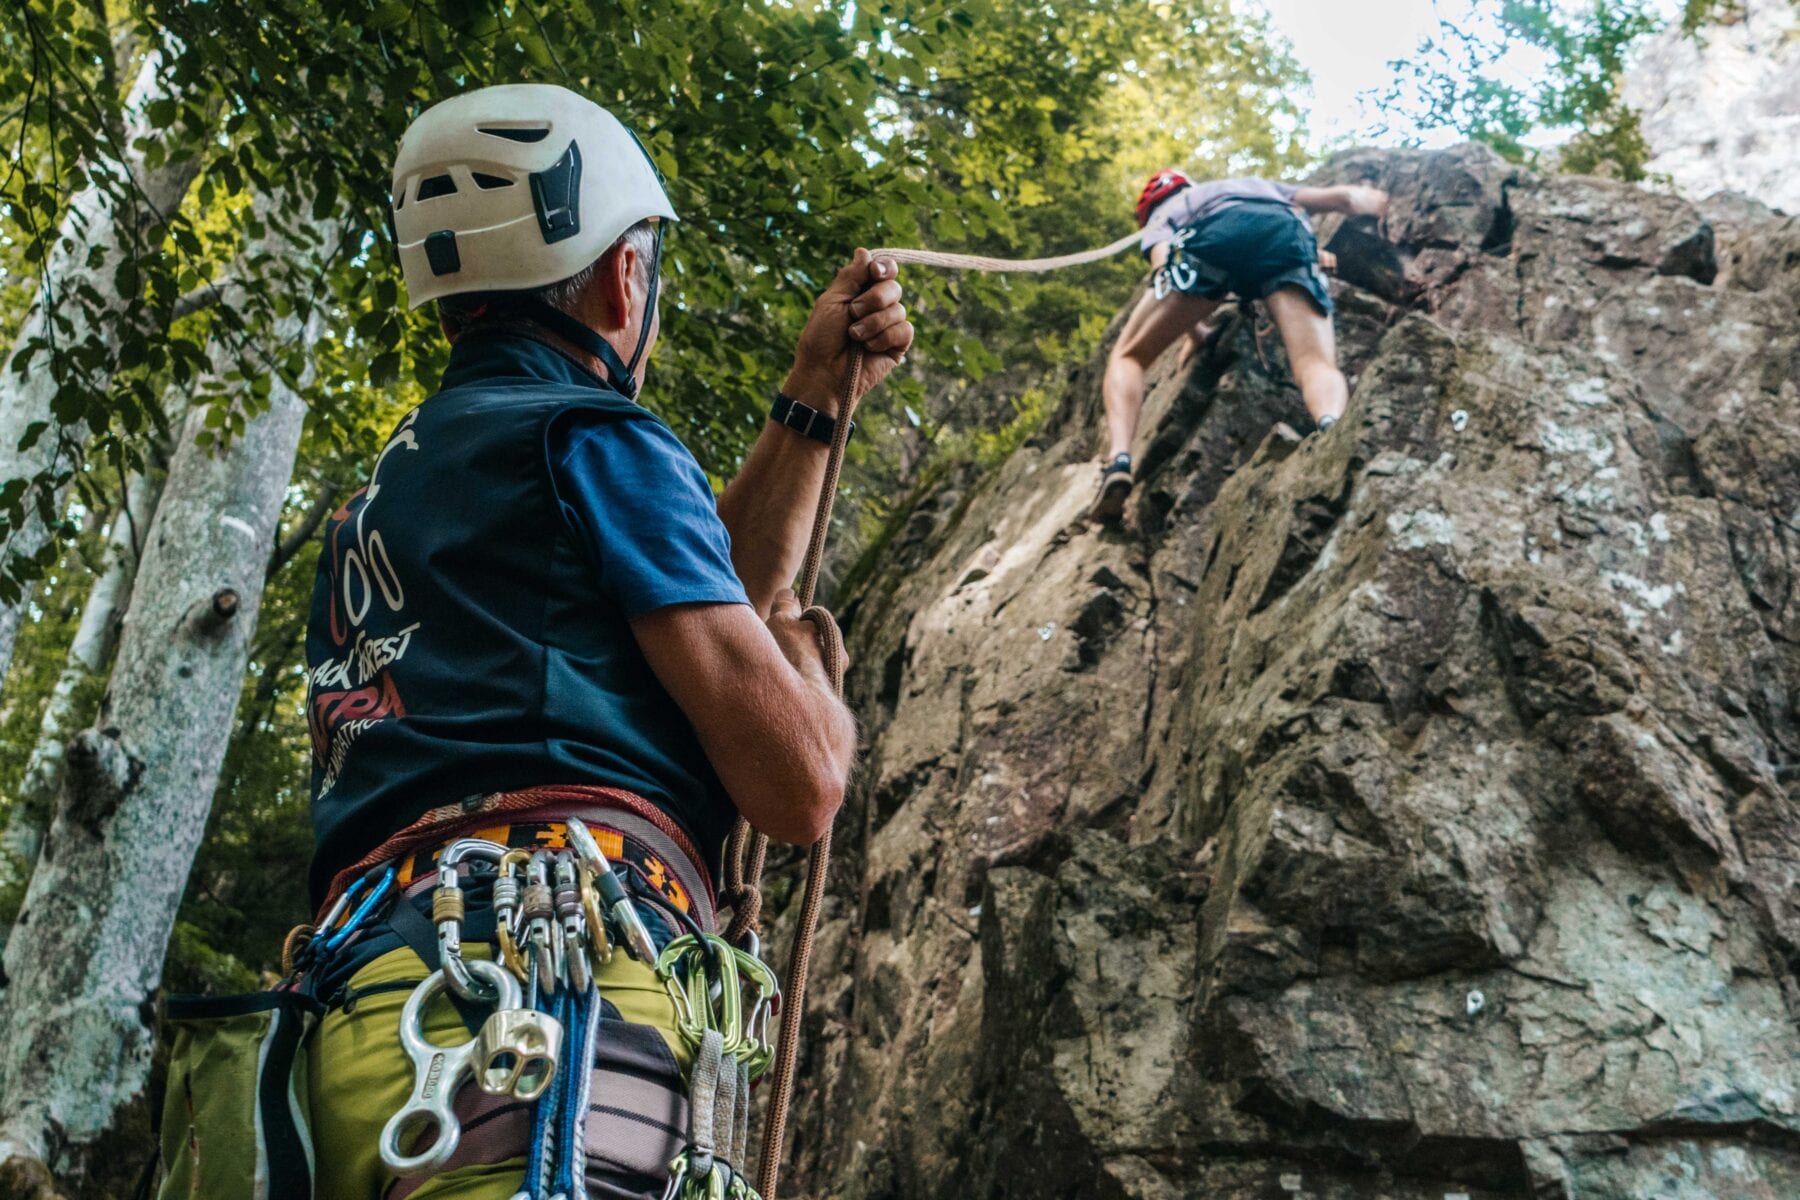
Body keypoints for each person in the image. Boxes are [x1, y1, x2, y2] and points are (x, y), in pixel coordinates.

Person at [297, 83, 912, 1199]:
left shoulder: (385, 500)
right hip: (543, 1001)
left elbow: (675, 585)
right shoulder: (595, 437)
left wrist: (816, 393)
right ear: (628, 271)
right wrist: (805, 665)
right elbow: (798, 783)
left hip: (365, 1011)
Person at [1089, 169, 1387, 523]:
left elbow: (1164, 261)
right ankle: (1334, 429)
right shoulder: (1255, 186)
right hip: (1282, 235)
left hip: (1209, 246)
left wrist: (1189, 323)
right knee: (1315, 364)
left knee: (1128, 356)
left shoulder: (1165, 212)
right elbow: (1346, 199)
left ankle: (1119, 460)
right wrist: (1382, 203)